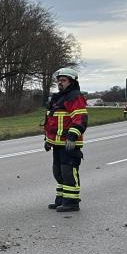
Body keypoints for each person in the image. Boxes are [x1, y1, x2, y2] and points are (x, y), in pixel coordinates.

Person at [43, 68, 88, 212]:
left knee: (68, 172)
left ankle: (72, 202)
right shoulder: (58, 98)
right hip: (57, 144)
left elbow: (80, 119)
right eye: (59, 80)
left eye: (63, 80)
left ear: (72, 82)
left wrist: (72, 136)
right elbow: (51, 122)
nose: (59, 83)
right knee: (58, 172)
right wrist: (48, 140)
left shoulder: (74, 97)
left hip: (69, 143)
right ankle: (61, 199)